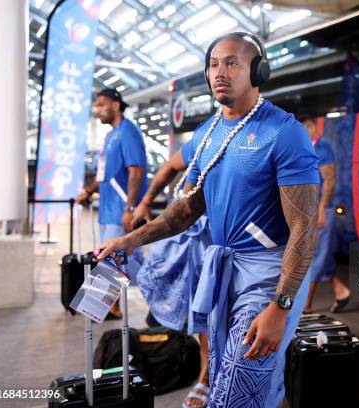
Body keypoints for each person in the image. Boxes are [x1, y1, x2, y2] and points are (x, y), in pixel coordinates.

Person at [97, 32, 319, 408]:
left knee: (239, 383)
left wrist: (280, 306)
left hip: (267, 274)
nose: (220, 72)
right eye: (214, 64)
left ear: (258, 70)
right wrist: (129, 240)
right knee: (237, 377)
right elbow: (185, 211)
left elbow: (304, 227)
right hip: (222, 269)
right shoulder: (206, 135)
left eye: (232, 62)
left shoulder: (285, 132)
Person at [130, 144, 212, 408]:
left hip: (221, 237)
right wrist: (144, 202)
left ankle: (207, 376)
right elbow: (168, 168)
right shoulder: (204, 138)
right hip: (185, 232)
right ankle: (205, 374)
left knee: (211, 312)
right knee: (198, 310)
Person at [77, 88, 147, 318]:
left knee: (114, 259)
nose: (98, 110)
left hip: (121, 210)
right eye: (96, 105)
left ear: (116, 105)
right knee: (116, 259)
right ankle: (111, 307)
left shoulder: (128, 132)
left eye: (101, 104)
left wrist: (130, 208)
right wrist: (88, 191)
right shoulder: (109, 136)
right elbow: (103, 174)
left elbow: (136, 171)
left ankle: (98, 308)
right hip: (107, 210)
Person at [298, 114, 350, 313]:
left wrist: (321, 208)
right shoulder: (308, 146)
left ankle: (306, 305)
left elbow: (330, 180)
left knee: (314, 255)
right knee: (321, 256)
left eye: (303, 129)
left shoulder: (323, 146)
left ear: (310, 126)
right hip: (310, 209)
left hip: (322, 209)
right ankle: (341, 290)